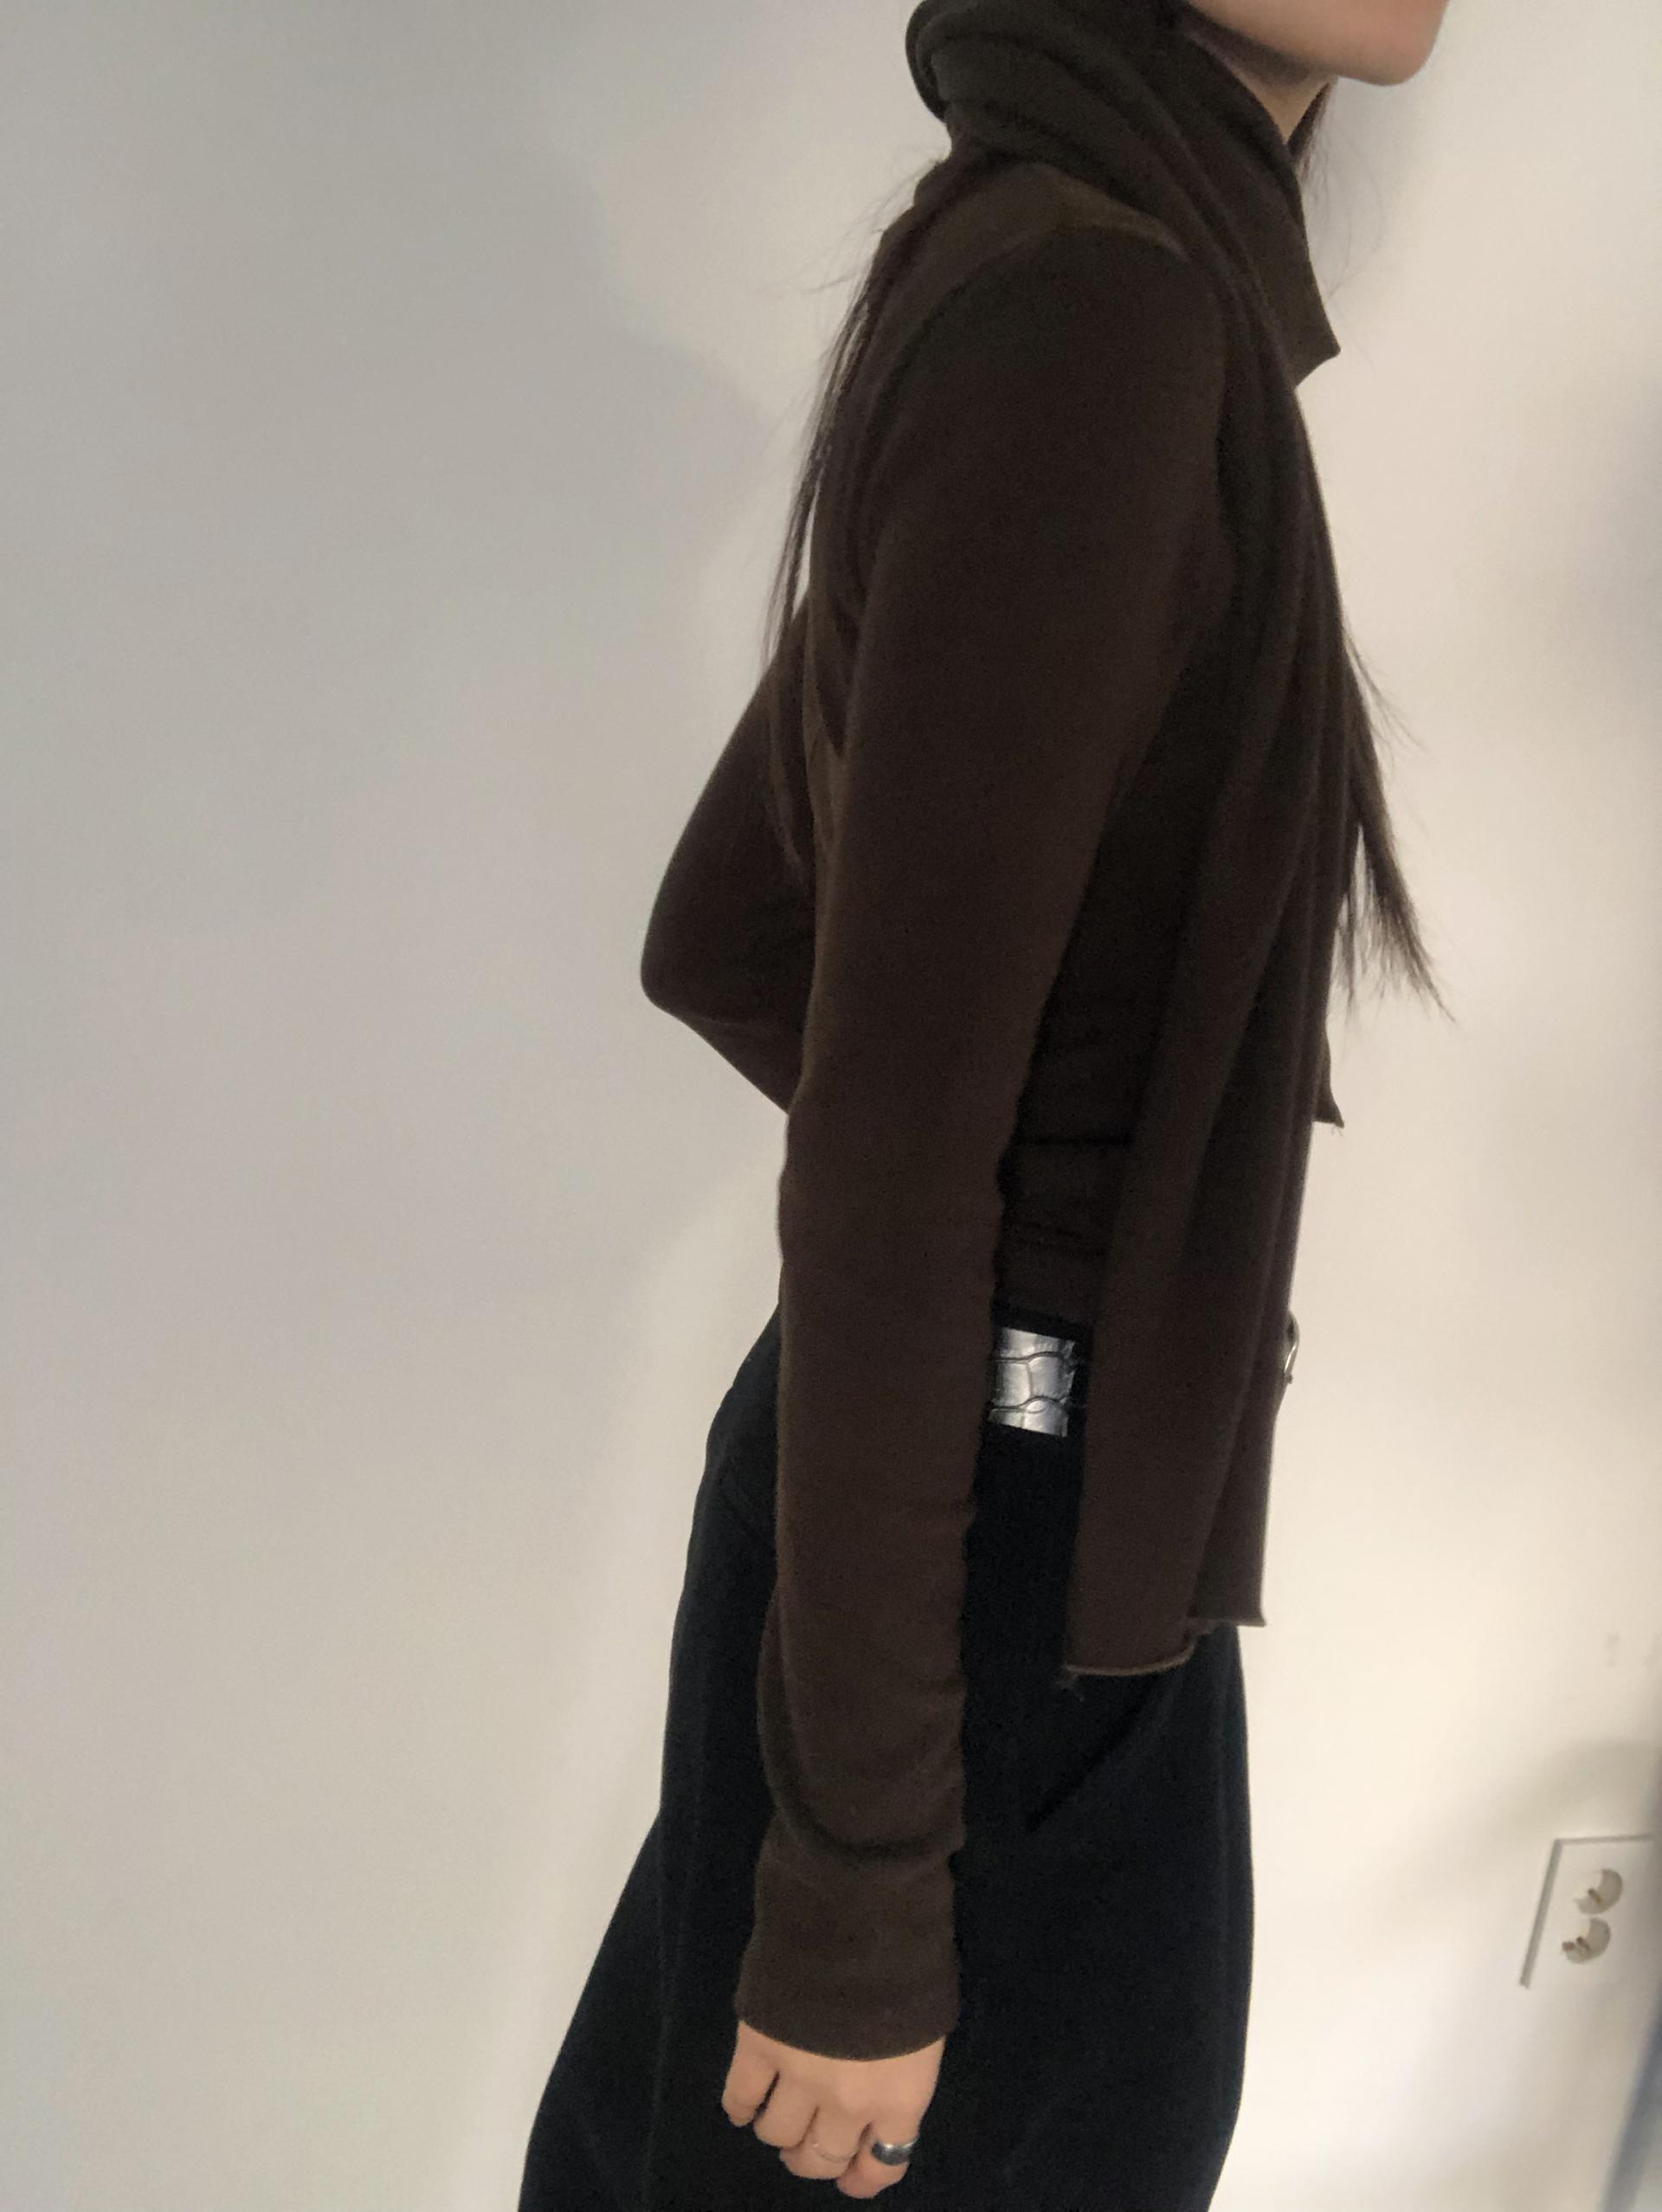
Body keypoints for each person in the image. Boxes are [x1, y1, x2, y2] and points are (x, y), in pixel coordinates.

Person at [519, 3, 1451, 2205]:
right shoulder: (1103, 321)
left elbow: (738, 936)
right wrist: (858, 1889)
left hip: (1008, 1538)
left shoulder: (1069, 263)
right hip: (978, 1586)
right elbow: (888, 1153)